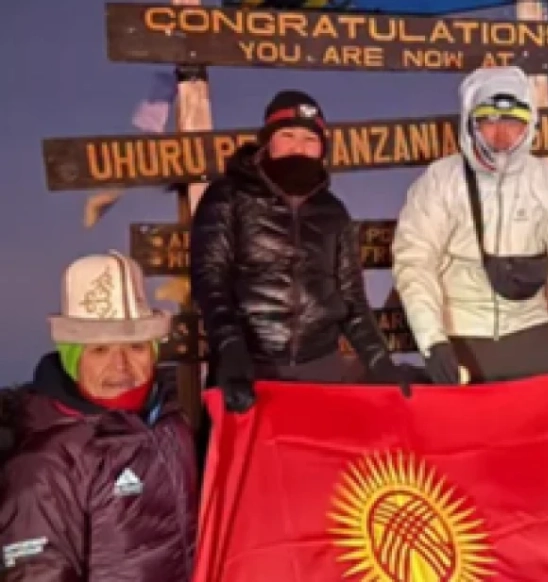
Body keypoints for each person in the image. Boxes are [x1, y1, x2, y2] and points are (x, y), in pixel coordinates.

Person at [392, 65, 548, 386]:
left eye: (513, 122)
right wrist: (433, 341)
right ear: (472, 123)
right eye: (489, 121)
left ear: (529, 125)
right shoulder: (440, 182)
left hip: (529, 326)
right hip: (461, 329)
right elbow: (415, 262)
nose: (502, 134)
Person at [190, 90, 404, 413]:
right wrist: (230, 348)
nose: (298, 147)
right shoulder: (227, 196)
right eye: (287, 136)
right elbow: (210, 279)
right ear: (267, 142)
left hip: (321, 368)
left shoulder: (334, 212)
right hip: (249, 365)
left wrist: (379, 361)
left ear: (322, 150)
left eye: (309, 139)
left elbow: (352, 299)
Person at [0, 251, 198, 581]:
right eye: (100, 350)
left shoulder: (172, 423)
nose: (120, 366)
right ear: (73, 360)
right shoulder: (47, 465)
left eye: (136, 347)